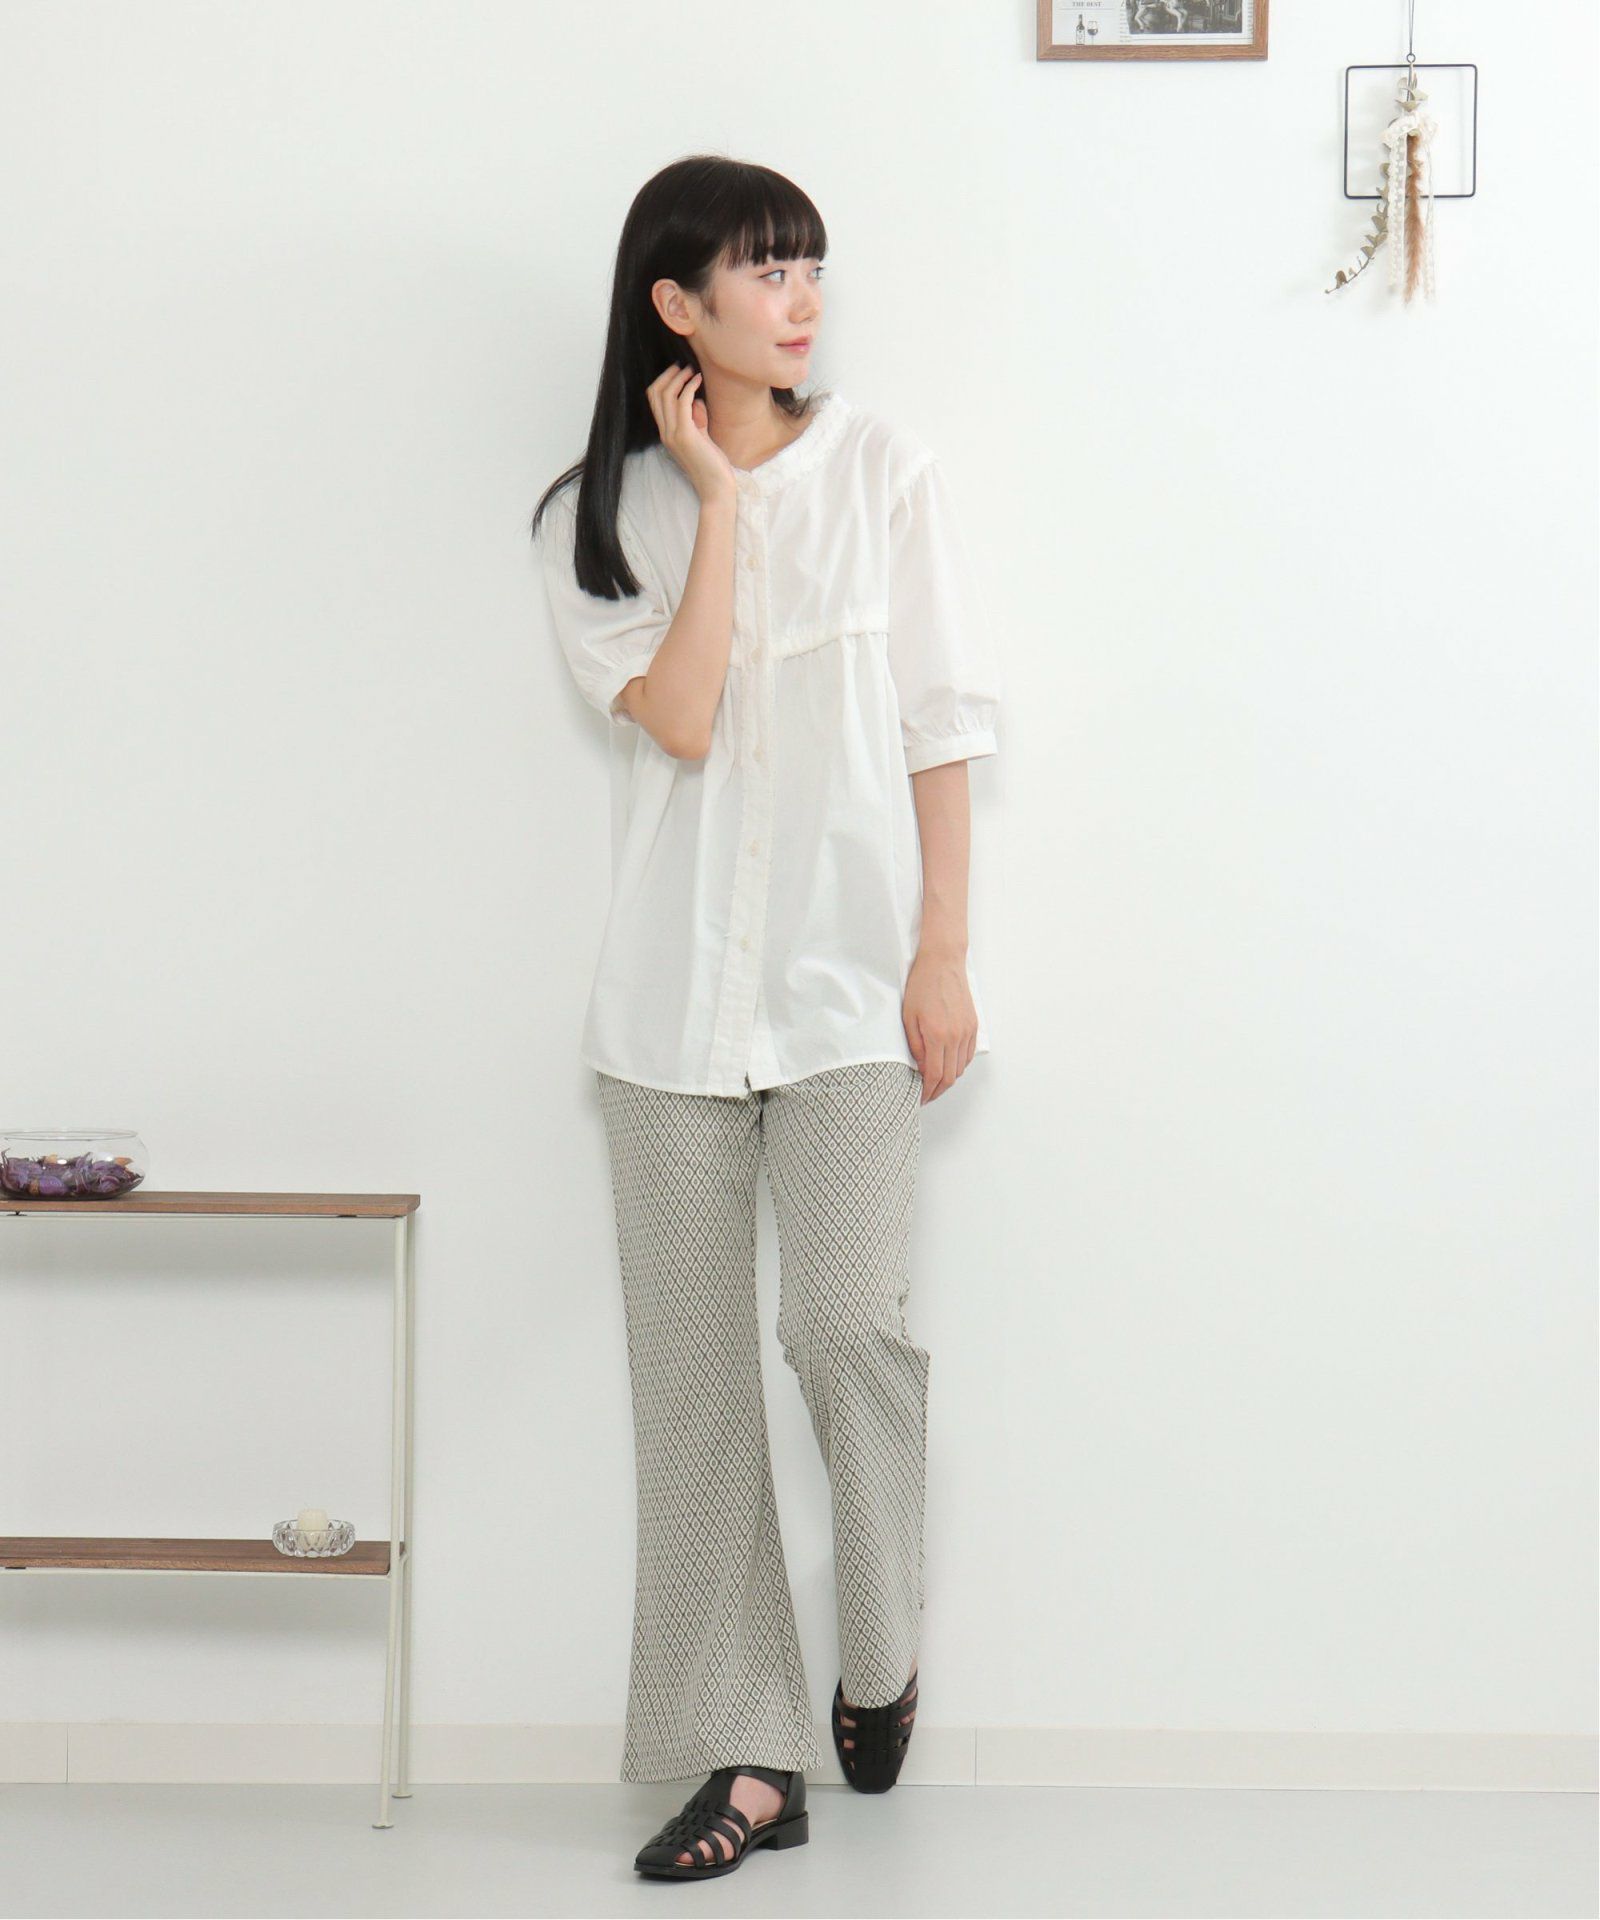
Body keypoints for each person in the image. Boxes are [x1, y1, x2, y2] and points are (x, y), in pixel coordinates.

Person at [531, 153, 1002, 1881]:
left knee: (845, 1330)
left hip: (850, 991)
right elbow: (677, 717)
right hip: (668, 1015)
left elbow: (940, 720)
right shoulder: (599, 517)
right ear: (678, 306)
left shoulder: (883, 471)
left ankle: (880, 1645)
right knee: (694, 1388)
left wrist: (942, 949)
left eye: (810, 266)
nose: (802, 298)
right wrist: (721, 504)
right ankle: (749, 1760)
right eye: (764, 270)